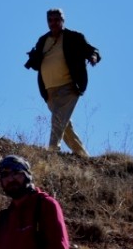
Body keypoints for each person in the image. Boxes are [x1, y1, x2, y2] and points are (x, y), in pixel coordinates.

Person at [23, 8, 101, 157]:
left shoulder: (74, 37)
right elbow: (37, 61)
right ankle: (83, 155)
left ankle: (52, 151)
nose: (53, 23)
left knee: (58, 118)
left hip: (69, 87)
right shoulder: (43, 40)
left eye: (57, 20)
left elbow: (93, 50)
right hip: (48, 90)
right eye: (50, 20)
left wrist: (93, 57)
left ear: (63, 20)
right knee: (65, 126)